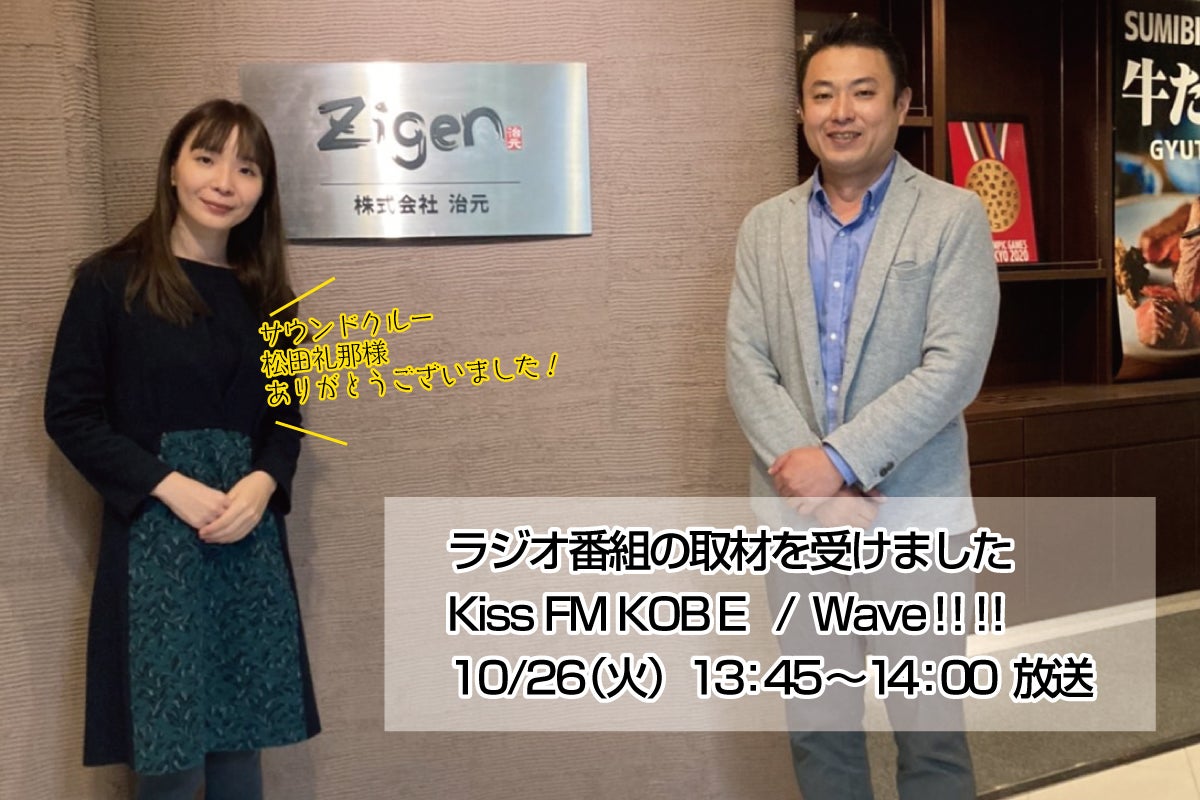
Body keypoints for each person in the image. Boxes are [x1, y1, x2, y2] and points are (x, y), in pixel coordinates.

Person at [725, 16, 1000, 800]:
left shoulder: (952, 215)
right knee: (820, 732)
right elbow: (746, 362)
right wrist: (815, 486)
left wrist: (838, 464)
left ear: (903, 104)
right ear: (801, 109)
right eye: (822, 94)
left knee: (930, 736)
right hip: (798, 529)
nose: (840, 112)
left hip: (914, 525)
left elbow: (954, 368)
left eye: (862, 92)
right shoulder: (765, 227)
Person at [45, 99, 319, 799]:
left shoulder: (274, 300)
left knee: (241, 748)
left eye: (247, 168)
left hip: (248, 538)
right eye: (206, 158)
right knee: (167, 759)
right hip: (155, 542)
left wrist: (264, 481)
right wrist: (166, 483)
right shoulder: (109, 281)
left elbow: (287, 419)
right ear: (172, 168)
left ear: (264, 188)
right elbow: (70, 415)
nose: (224, 181)